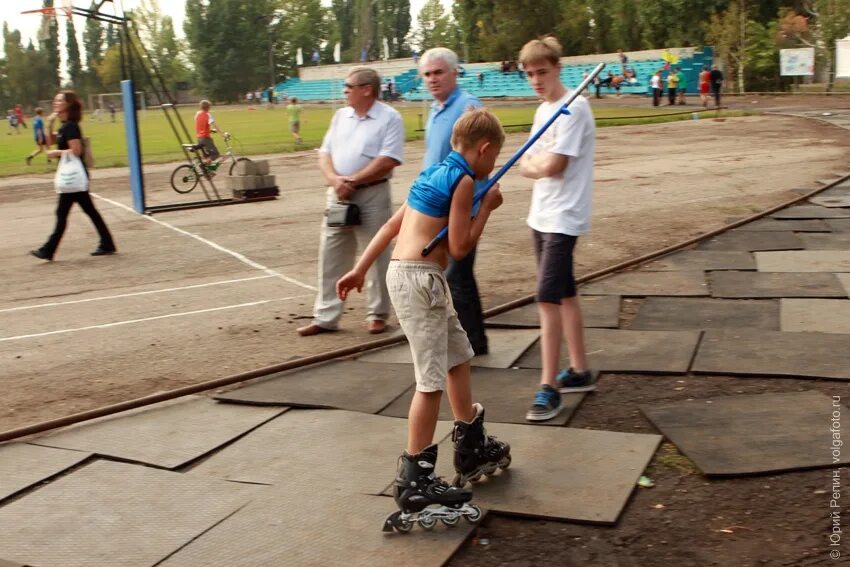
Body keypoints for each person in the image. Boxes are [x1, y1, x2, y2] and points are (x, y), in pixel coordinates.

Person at [336, 108, 511, 528]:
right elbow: (460, 246)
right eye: (493, 156)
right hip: (421, 281)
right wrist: (486, 207)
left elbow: (393, 228)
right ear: (485, 149)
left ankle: (469, 441)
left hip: (408, 275)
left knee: (457, 356)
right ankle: (415, 476)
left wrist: (361, 268)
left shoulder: (434, 172)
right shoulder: (465, 180)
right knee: (430, 380)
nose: (491, 165)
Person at [517, 36, 596, 422]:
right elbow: (531, 160)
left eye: (542, 72)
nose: (536, 79)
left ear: (557, 69)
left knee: (546, 298)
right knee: (563, 294)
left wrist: (534, 164)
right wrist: (535, 163)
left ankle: (548, 386)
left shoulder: (575, 108)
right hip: (541, 214)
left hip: (564, 217)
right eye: (530, 74)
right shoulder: (542, 110)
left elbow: (551, 166)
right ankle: (580, 370)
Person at [296, 67, 404, 337]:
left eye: (348, 86)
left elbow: (388, 159)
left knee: (377, 254)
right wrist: (335, 181)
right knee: (331, 254)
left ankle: (377, 313)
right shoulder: (340, 116)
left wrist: (353, 181)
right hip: (338, 194)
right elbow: (324, 153)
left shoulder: (389, 117)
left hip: (371, 193)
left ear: (366, 89)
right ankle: (325, 316)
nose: (344, 90)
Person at [420, 47, 490, 355]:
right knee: (458, 277)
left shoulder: (468, 107)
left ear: (453, 72)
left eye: (438, 72)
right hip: (438, 207)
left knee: (457, 276)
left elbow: (480, 159)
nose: (432, 79)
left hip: (462, 206)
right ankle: (474, 341)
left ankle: (471, 344)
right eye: (427, 74)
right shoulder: (435, 109)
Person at [30, 90, 116, 261]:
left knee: (63, 213)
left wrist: (57, 153)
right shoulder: (64, 126)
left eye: (59, 100)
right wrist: (49, 124)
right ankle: (107, 243)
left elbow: (76, 150)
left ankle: (48, 250)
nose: (55, 103)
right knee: (88, 211)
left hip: (75, 177)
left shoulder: (71, 126)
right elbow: (45, 143)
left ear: (68, 104)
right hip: (74, 178)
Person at [194, 99, 226, 166]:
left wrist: (210, 131)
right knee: (215, 154)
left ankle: (208, 172)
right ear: (208, 107)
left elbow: (201, 125)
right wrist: (222, 134)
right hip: (205, 138)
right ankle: (203, 165)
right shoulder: (207, 115)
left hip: (199, 138)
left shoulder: (197, 114)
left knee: (208, 156)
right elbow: (215, 125)